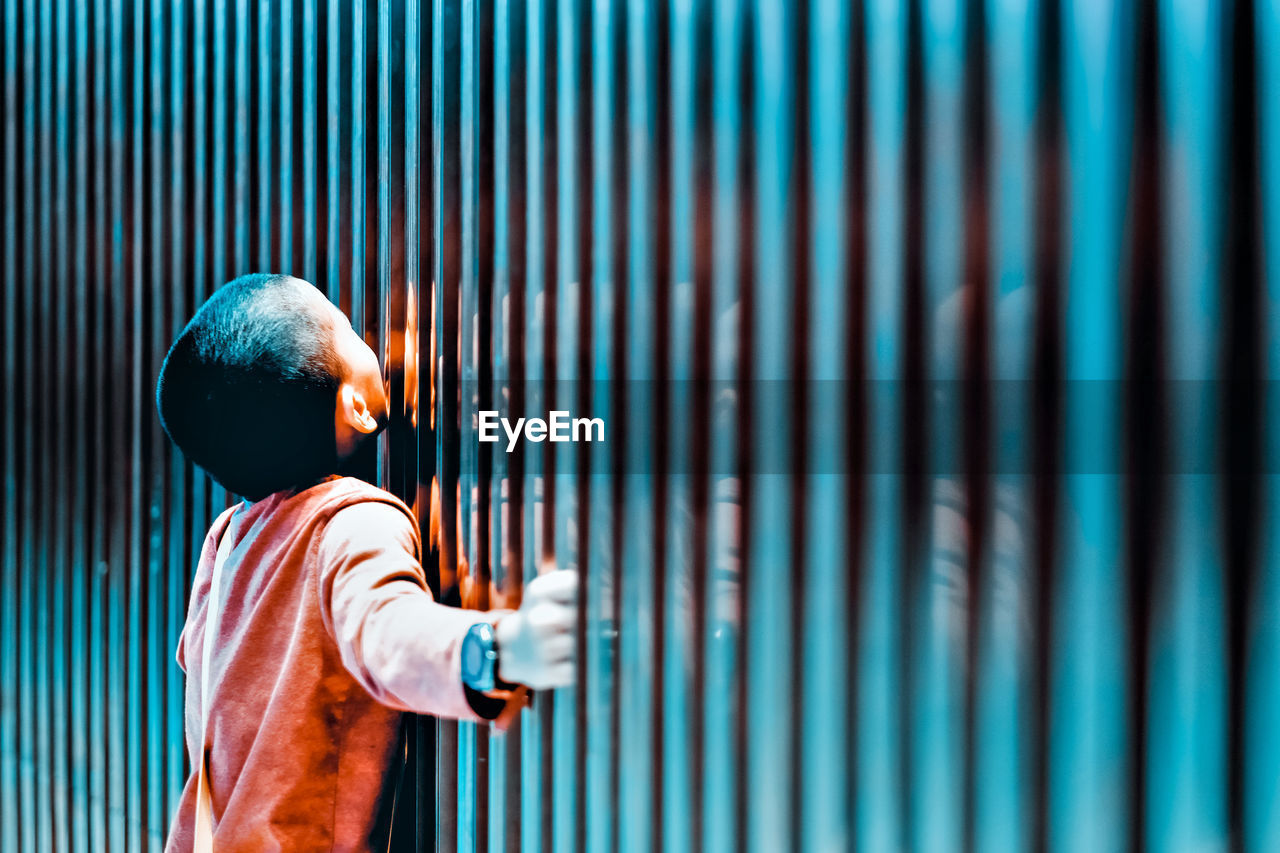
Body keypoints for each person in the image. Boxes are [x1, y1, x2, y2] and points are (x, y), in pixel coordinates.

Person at [155, 273, 577, 851]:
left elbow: (197, 661)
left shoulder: (226, 540)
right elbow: (388, 634)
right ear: (356, 406)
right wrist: (502, 648)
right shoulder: (352, 523)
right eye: (349, 330)